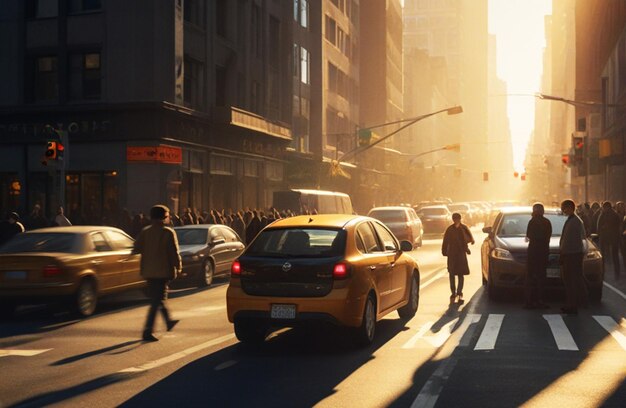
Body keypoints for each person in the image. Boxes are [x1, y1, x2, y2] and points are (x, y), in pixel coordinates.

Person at [133, 205, 182, 342]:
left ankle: (168, 321)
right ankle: (148, 330)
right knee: (156, 300)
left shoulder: (145, 231)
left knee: (157, 298)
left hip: (148, 271)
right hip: (162, 271)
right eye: (167, 216)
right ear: (163, 217)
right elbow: (174, 253)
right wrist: (178, 267)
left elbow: (136, 248)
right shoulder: (167, 232)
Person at [559, 199, 588, 315]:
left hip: (572, 255)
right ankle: (571, 303)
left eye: (564, 208)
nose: (562, 210)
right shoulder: (572, 220)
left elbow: (572, 241)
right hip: (570, 254)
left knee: (573, 280)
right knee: (570, 280)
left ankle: (574, 304)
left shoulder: (575, 221)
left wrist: (564, 253)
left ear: (570, 208)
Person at [442, 212, 474, 304]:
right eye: (454, 219)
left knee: (460, 274)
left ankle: (459, 292)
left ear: (460, 219)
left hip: (461, 254)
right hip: (452, 254)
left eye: (457, 219)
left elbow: (468, 238)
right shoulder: (449, 229)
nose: (456, 221)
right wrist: (444, 251)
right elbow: (445, 241)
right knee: (451, 273)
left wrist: (467, 248)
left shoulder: (463, 228)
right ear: (453, 220)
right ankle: (453, 292)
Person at [524, 203, 552, 309]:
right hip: (543, 252)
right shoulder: (547, 222)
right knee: (541, 277)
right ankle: (540, 300)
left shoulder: (532, 222)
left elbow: (529, 235)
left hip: (533, 253)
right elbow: (548, 236)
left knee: (530, 277)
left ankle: (529, 301)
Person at [596, 201, 621, 277]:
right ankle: (616, 273)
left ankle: (603, 273)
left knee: (605, 257)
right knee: (614, 257)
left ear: (607, 207)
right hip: (612, 239)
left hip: (607, 238)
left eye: (604, 207)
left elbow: (599, 226)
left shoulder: (605, 215)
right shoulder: (614, 214)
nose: (603, 209)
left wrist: (601, 231)